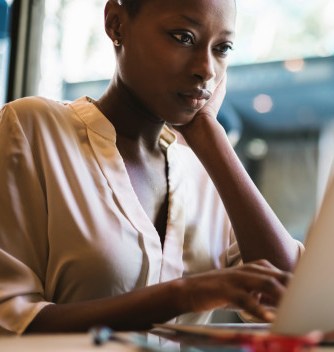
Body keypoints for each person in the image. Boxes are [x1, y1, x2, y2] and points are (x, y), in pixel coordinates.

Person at [0, 0, 303, 335]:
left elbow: (289, 299)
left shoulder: (205, 174)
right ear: (116, 24)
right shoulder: (33, 128)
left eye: (222, 48)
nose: (206, 69)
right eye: (183, 37)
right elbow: (13, 319)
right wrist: (183, 295)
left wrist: (210, 139)